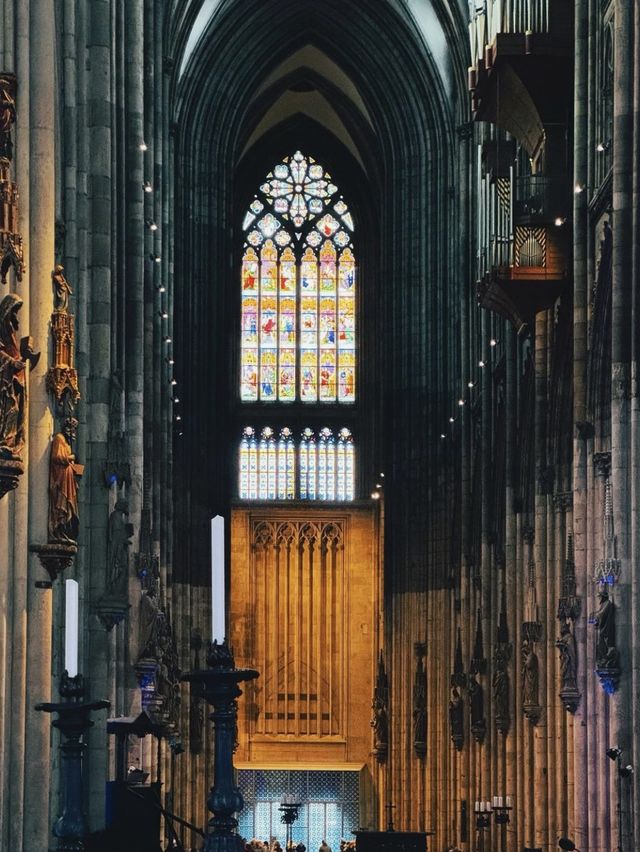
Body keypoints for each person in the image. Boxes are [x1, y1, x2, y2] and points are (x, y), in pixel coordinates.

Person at [0, 294, 33, 459]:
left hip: (17, 379)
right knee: (10, 408)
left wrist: (24, 357)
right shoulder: (1, 328)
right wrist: (12, 363)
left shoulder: (11, 331)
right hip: (6, 380)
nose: (16, 315)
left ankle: (10, 443)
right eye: (14, 311)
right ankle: (5, 442)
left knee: (16, 410)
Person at [48, 416, 82, 542]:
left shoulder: (66, 442)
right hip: (60, 480)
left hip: (68, 480)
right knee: (60, 506)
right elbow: (56, 457)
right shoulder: (59, 438)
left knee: (68, 508)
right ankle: (57, 530)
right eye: (72, 430)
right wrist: (70, 458)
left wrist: (77, 468)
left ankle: (63, 532)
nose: (73, 433)